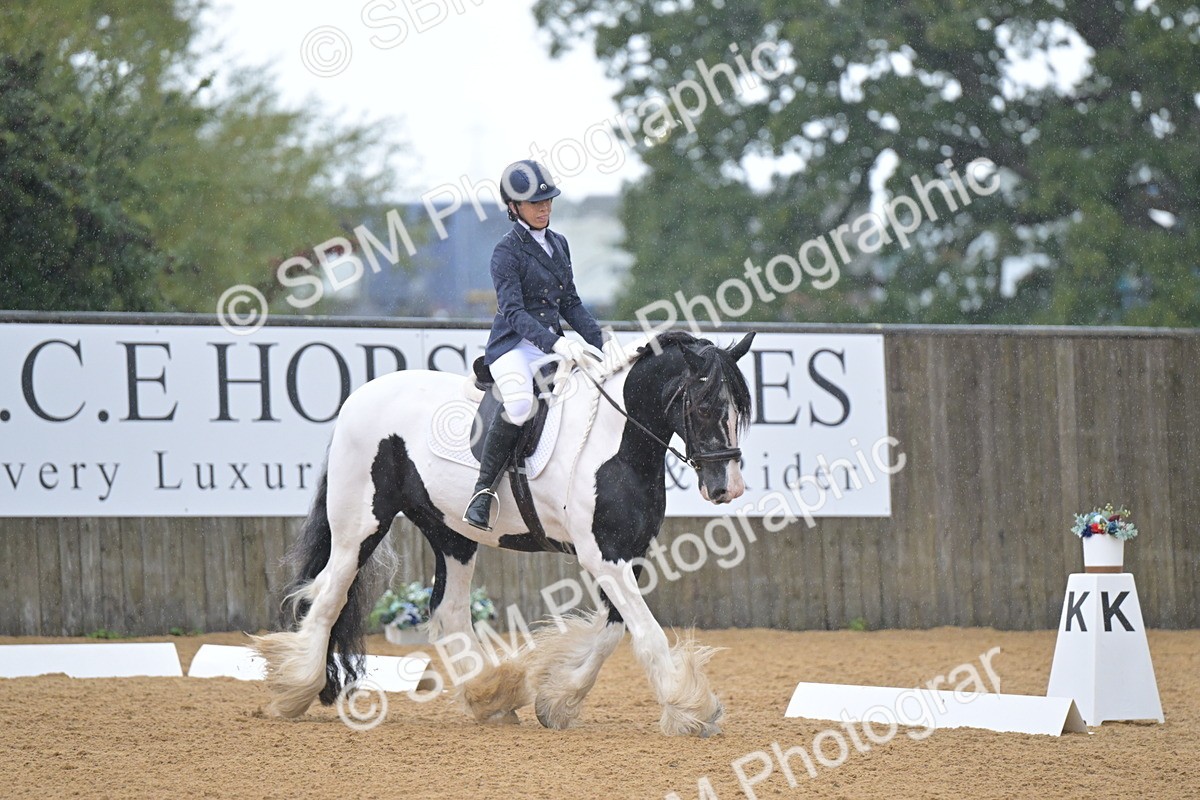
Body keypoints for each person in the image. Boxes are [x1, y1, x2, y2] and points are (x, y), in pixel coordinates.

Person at [462, 160, 607, 531]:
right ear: (513, 207)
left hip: (550, 345)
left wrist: (600, 342)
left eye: (548, 201)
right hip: (513, 347)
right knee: (522, 403)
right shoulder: (506, 252)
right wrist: (558, 343)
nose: (544, 208)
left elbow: (570, 302)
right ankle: (483, 493)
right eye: (534, 203)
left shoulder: (559, 244)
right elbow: (512, 312)